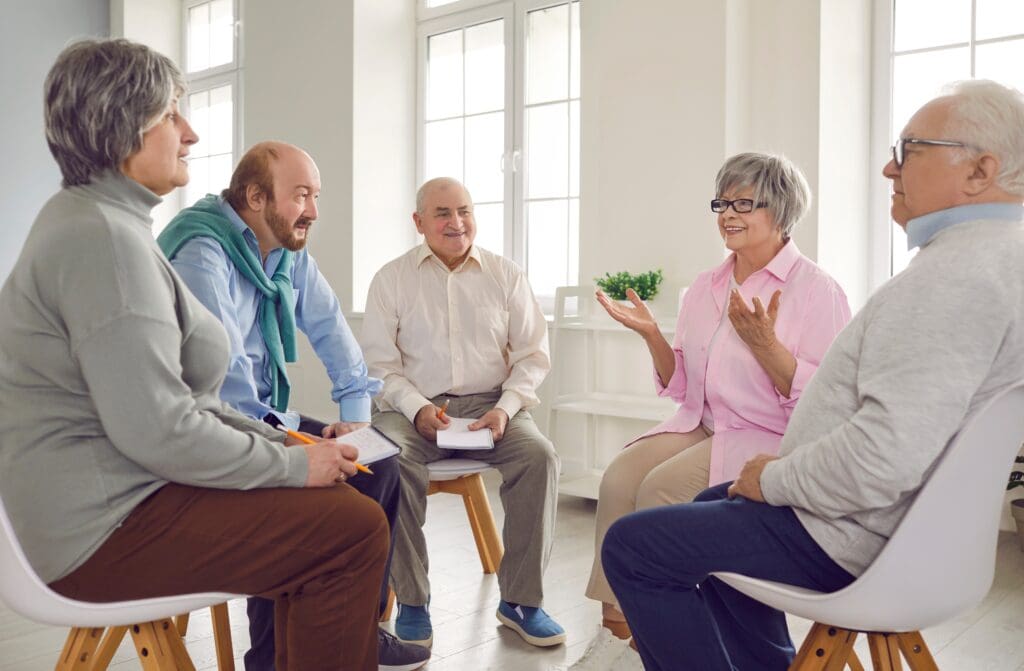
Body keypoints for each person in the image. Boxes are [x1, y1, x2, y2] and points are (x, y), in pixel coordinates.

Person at [601, 79, 1024, 671]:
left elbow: (880, 460)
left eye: (908, 151)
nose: (887, 168)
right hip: (890, 527)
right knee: (710, 500)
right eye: (722, 203)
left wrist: (774, 479)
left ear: (980, 171)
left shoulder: (952, 279)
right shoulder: (993, 260)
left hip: (852, 533)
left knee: (635, 546)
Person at [0, 39, 388, 671]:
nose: (191, 133)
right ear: (123, 125)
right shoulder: (103, 240)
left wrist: (290, 448)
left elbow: (189, 404)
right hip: (99, 531)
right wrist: (292, 466)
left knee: (341, 510)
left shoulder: (108, 223)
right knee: (349, 532)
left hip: (115, 501)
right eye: (171, 115)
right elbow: (160, 428)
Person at [570, 152, 851, 669]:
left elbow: (825, 404)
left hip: (767, 436)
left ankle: (652, 626)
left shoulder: (817, 291)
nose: (728, 213)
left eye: (744, 202)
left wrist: (767, 346)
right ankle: (620, 628)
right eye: (722, 201)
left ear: (782, 210)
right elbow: (682, 384)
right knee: (618, 478)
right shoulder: (707, 285)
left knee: (658, 489)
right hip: (704, 422)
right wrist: (652, 334)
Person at [157, 142, 426, 671]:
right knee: (299, 494)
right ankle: (269, 657)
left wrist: (355, 421)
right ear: (256, 197)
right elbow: (222, 384)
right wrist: (295, 450)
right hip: (209, 427)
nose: (314, 211)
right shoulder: (201, 252)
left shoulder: (283, 253)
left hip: (262, 416)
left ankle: (360, 632)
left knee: (380, 463)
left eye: (316, 195)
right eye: (302, 194)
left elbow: (333, 333)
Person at [361, 177, 565, 649]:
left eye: (465, 211)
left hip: (492, 405)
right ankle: (412, 601)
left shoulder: (505, 273)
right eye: (442, 214)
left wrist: (506, 408)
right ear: (418, 223)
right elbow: (378, 367)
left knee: (540, 457)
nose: (456, 223)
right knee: (389, 461)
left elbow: (533, 356)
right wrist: (417, 409)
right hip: (409, 406)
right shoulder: (391, 279)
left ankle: (520, 602)